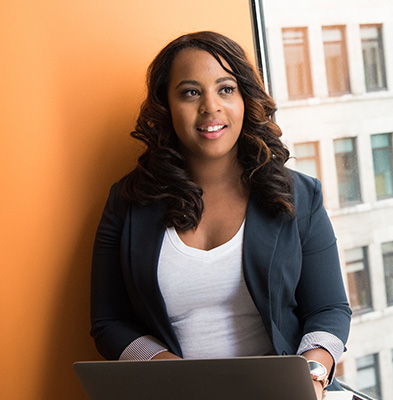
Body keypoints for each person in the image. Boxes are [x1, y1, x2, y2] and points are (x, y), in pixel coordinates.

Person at [90, 31, 352, 399]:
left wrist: (311, 373)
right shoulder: (128, 201)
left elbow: (330, 309)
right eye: (190, 92)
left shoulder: (300, 195)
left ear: (245, 98)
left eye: (226, 89)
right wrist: (173, 374)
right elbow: (109, 323)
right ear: (167, 105)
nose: (210, 107)